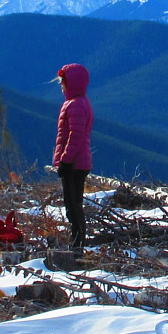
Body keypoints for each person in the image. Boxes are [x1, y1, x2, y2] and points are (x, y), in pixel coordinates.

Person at [53, 63, 94, 253]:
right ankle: (77, 242)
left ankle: (77, 244)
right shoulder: (79, 102)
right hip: (79, 163)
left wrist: (65, 160)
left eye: (63, 81)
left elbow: (74, 135)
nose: (61, 85)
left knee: (73, 205)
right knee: (74, 204)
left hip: (74, 165)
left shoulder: (75, 104)